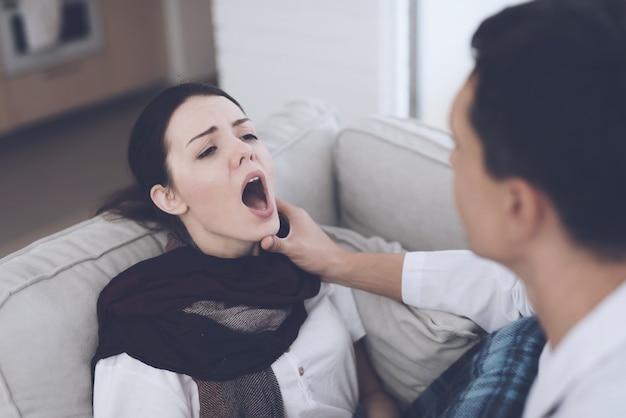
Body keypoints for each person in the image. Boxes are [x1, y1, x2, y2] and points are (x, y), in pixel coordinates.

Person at [260, 0, 626, 416]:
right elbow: (503, 286)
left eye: (462, 149)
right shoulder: (577, 287)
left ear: (520, 207)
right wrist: (338, 263)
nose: (451, 163)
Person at [91, 82, 400, 417]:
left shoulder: (309, 257)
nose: (244, 150)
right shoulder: (145, 340)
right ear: (170, 197)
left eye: (247, 135)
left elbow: (373, 393)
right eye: (208, 150)